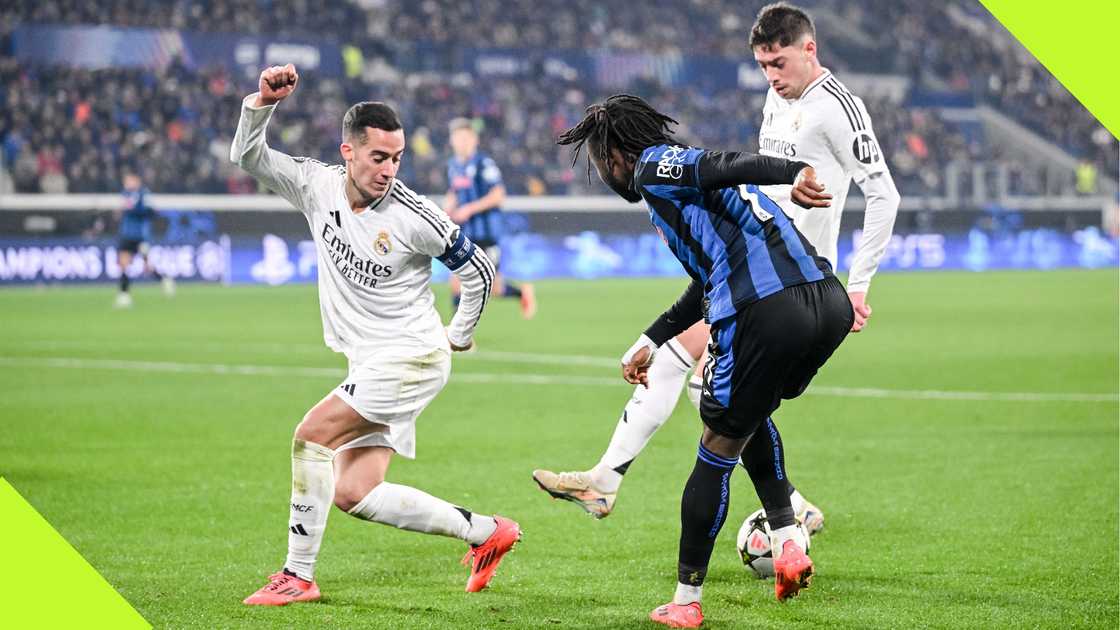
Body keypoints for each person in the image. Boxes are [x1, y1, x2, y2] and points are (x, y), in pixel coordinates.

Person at [532, 2, 899, 535]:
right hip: (750, 267)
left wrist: (860, 284)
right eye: (764, 66)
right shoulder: (776, 101)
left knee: (708, 388)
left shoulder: (838, 107)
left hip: (792, 279)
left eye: (780, 64)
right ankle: (615, 482)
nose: (772, 77)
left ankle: (783, 512)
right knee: (692, 374)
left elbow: (883, 194)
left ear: (809, 49)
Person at [557, 94, 852, 627]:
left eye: (601, 162)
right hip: (827, 302)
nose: (604, 174)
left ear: (616, 154)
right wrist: (654, 335)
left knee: (715, 447)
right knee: (747, 412)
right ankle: (788, 543)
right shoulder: (688, 200)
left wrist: (794, 171)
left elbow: (727, 162)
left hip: (766, 308)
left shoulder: (655, 165)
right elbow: (708, 278)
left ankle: (686, 602)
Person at [232, 63, 520, 607]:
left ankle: (297, 575)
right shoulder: (317, 185)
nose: (389, 169)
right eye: (378, 157)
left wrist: (458, 335)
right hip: (370, 363)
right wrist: (262, 105)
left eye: (397, 158)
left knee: (311, 435)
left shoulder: (415, 215)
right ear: (348, 152)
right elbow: (247, 157)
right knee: (354, 492)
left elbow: (478, 270)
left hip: (411, 358)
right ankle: (486, 532)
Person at [444, 117, 536, 319]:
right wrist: (448, 206)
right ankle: (459, 336)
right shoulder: (453, 165)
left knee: (495, 288)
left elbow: (498, 195)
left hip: (487, 233)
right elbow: (455, 190)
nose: (462, 142)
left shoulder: (484, 164)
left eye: (465, 137)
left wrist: (469, 209)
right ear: (452, 141)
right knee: (456, 278)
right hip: (466, 233)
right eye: (458, 138)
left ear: (474, 139)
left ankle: (522, 293)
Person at [114, 172, 175, 307]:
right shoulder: (125, 194)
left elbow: (151, 212)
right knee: (123, 264)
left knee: (147, 266)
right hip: (126, 235)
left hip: (141, 236)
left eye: (130, 180)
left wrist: (135, 209)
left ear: (137, 180)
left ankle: (164, 280)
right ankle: (124, 295)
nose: (127, 183)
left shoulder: (144, 194)